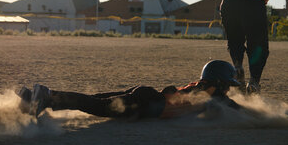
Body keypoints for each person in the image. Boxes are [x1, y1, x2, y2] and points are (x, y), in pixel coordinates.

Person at [18, 60, 243, 119]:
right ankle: (44, 96)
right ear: (220, 81)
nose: (229, 90)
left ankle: (39, 98)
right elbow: (237, 109)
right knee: (95, 104)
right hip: (147, 104)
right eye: (228, 85)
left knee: (94, 100)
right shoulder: (212, 92)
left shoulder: (204, 87)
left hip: (148, 96)